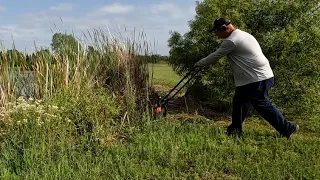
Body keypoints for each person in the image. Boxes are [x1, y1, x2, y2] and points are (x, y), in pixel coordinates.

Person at [194, 17, 298, 138]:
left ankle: (287, 128)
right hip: (252, 79)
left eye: (217, 31)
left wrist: (198, 64)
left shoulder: (232, 40)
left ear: (224, 28)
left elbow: (216, 55)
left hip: (257, 78)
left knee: (262, 105)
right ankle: (235, 131)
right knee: (239, 104)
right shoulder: (244, 35)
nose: (216, 35)